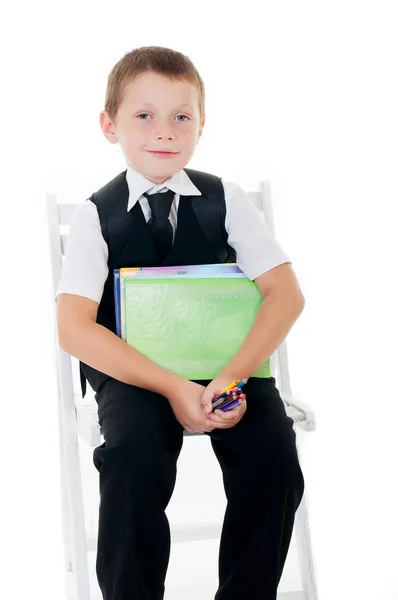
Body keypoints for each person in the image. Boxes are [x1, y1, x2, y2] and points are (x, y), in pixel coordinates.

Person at [56, 45, 306, 600]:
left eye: (181, 116)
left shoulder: (227, 200)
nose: (163, 131)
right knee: (131, 458)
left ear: (201, 125)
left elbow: (285, 294)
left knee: (273, 463)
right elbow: (73, 328)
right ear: (109, 124)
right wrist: (172, 387)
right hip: (134, 376)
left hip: (229, 369)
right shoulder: (98, 215)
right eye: (143, 115)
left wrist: (232, 377)